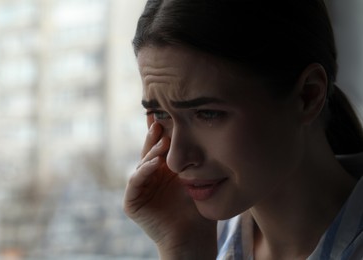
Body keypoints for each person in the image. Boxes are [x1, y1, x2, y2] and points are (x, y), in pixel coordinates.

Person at [123, 0, 363, 259]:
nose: (175, 159)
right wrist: (183, 249)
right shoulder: (205, 238)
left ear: (308, 95)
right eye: (160, 114)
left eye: (208, 114)